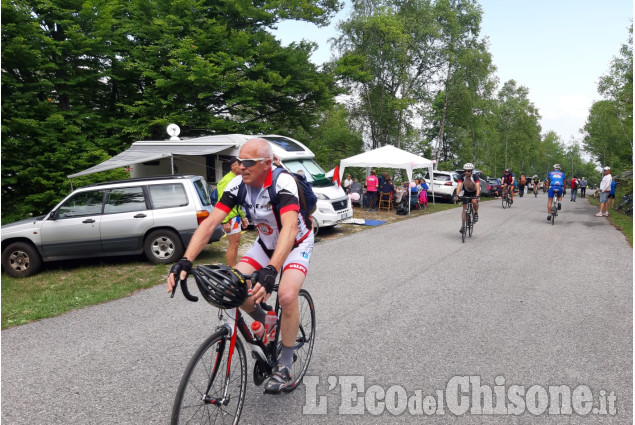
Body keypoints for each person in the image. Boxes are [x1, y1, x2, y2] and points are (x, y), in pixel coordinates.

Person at [167, 138, 314, 393]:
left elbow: (290, 228)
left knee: (287, 295)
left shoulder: (282, 182)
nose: (241, 166)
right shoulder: (238, 186)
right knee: (229, 288)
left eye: (249, 162)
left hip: (296, 243)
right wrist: (185, 259)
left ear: (267, 164)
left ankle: (286, 364)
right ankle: (266, 318)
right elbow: (211, 223)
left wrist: (271, 270)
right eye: (238, 161)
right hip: (266, 243)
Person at [216, 157, 249, 267]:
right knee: (233, 244)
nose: (242, 167)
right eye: (240, 164)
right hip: (229, 218)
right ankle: (230, 270)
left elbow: (237, 201)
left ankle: (233, 267)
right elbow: (221, 201)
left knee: (236, 243)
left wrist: (242, 216)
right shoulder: (227, 180)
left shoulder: (237, 178)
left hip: (236, 217)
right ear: (234, 166)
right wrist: (224, 221)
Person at [454, 163, 480, 233]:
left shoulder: (475, 176)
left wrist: (477, 196)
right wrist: (457, 194)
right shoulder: (462, 176)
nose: (466, 172)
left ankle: (476, 214)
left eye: (468, 171)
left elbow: (477, 186)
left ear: (471, 171)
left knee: (474, 201)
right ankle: (463, 226)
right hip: (467, 191)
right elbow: (459, 186)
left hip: (474, 191)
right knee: (464, 208)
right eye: (465, 171)